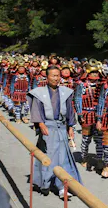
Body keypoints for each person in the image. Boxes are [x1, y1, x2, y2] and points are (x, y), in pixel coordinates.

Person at [27, 65, 82, 198]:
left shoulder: (66, 92)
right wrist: (40, 124)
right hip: (48, 127)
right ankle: (44, 183)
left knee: (63, 157)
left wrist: (70, 127)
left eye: (58, 76)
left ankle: (63, 186)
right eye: (53, 75)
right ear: (47, 77)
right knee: (49, 156)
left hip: (61, 128)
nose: (56, 78)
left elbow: (70, 111)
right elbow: (36, 110)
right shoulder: (39, 93)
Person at [74, 59, 104, 171]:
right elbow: (77, 99)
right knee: (86, 138)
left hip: (98, 115)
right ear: (88, 73)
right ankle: (84, 158)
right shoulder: (82, 85)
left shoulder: (102, 85)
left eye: (96, 72)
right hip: (86, 114)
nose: (95, 75)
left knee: (99, 139)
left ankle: (100, 159)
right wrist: (80, 113)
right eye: (92, 73)